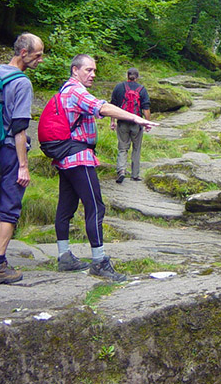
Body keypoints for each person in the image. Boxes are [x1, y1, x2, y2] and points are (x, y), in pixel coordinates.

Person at [52, 54, 158, 281]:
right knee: (95, 206)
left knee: (66, 206)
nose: (92, 74)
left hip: (65, 157)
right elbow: (101, 107)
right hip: (79, 157)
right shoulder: (76, 91)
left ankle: (64, 256)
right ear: (75, 70)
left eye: (94, 71)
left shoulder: (64, 90)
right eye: (88, 70)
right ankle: (99, 262)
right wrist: (136, 118)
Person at [0, 32, 45, 284]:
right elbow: (19, 129)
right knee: (10, 208)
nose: (41, 60)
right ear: (24, 53)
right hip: (9, 152)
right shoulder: (22, 83)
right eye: (38, 55)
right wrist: (23, 166)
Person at [110, 67, 151, 184]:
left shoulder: (119, 87)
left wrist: (112, 122)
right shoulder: (142, 89)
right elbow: (146, 108)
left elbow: (113, 106)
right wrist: (147, 123)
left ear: (127, 76)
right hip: (137, 123)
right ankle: (135, 175)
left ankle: (121, 171)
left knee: (122, 148)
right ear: (137, 77)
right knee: (136, 149)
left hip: (122, 122)